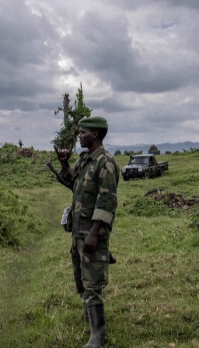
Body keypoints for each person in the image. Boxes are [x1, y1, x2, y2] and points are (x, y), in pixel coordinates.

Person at [57, 116, 119, 348]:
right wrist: (64, 164)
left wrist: (94, 233)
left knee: (93, 283)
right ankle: (91, 321)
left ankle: (98, 336)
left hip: (92, 232)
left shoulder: (106, 163)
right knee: (82, 280)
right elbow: (72, 184)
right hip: (78, 231)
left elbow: (107, 202)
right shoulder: (85, 161)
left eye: (83, 132)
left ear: (95, 134)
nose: (80, 136)